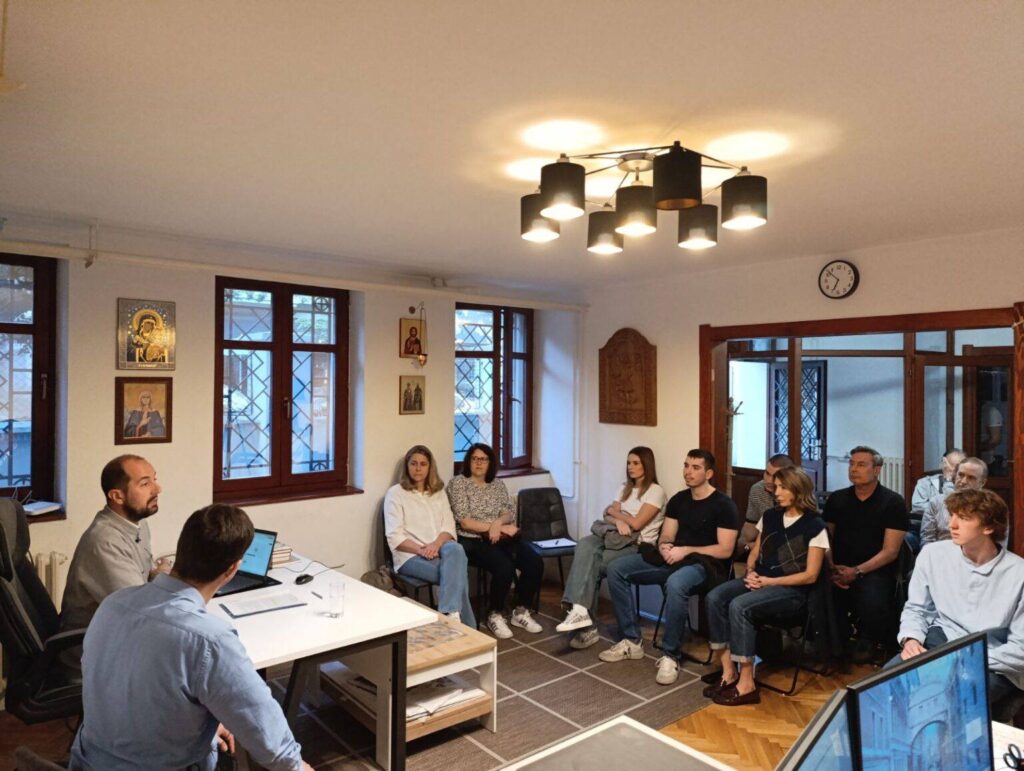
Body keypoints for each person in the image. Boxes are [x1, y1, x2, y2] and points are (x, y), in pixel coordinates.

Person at [69, 504, 312, 771]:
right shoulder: (210, 640)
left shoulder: (113, 603)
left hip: (87, 761)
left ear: (181, 552)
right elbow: (271, 742)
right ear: (232, 570)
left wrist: (203, 722)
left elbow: (138, 688)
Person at [601, 449, 740, 686]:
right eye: (686, 465)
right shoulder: (678, 500)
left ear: (709, 473)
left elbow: (725, 550)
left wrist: (685, 550)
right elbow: (667, 534)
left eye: (695, 467)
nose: (688, 472)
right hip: (673, 558)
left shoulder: (724, 505)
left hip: (705, 565)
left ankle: (670, 655)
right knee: (616, 568)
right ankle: (632, 640)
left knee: (676, 583)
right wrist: (665, 546)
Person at [704, 467, 828, 706]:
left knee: (740, 606)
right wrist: (751, 571)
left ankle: (747, 684)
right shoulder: (770, 516)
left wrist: (768, 581)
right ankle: (729, 672)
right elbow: (756, 551)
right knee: (714, 598)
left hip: (793, 591)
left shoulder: (815, 525)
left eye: (782, 487)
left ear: (798, 490)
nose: (776, 491)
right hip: (762, 579)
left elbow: (810, 576)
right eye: (776, 486)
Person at [892, 488, 1024, 710]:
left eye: (963, 518)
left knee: (950, 702)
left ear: (989, 527)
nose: (951, 524)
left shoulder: (1018, 573)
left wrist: (958, 661)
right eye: (952, 515)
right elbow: (917, 609)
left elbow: (1020, 649)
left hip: (993, 658)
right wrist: (911, 639)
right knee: (885, 684)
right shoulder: (932, 554)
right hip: (943, 639)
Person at [60, 455, 171, 667]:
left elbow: (141, 581)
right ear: (117, 496)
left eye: (154, 479)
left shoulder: (137, 524)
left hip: (121, 636)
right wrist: (165, 578)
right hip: (96, 655)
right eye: (145, 484)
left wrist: (157, 576)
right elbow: (141, 610)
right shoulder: (105, 541)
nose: (158, 489)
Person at [554, 447, 667, 650]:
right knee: (584, 544)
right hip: (614, 537)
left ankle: (585, 624)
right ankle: (580, 611)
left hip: (637, 545)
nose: (630, 467)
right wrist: (618, 519)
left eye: (636, 463)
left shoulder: (655, 491)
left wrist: (616, 514)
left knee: (593, 564)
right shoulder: (623, 488)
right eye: (628, 463)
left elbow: (638, 523)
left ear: (647, 465)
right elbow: (607, 515)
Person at [446, 443, 544, 638]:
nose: (479, 463)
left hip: (501, 536)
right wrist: (492, 528)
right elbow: (465, 522)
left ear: (490, 463)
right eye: (475, 458)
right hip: (471, 539)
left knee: (534, 562)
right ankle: (494, 614)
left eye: (483, 459)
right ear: (468, 461)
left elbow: (508, 513)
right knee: (504, 566)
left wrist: (498, 524)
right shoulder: (458, 484)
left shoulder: (497, 484)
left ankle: (520, 611)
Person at [824, 446, 909, 662]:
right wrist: (831, 566)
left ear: (877, 470)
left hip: (874, 569)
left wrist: (857, 571)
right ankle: (835, 638)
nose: (854, 469)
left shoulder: (893, 502)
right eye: (851, 464)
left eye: (861, 465)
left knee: (873, 596)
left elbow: (890, 551)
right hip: (839, 566)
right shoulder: (837, 499)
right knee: (818, 589)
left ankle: (868, 638)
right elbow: (826, 538)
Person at [384, 445, 475, 626]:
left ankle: (449, 614)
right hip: (410, 555)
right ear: (407, 466)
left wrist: (435, 545)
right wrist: (422, 550)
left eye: (423, 464)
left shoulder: (438, 492)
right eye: (413, 463)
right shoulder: (395, 493)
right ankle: (462, 623)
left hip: (440, 548)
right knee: (457, 574)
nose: (418, 468)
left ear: (430, 467)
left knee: (456, 549)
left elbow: (448, 527)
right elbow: (394, 536)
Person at [920, 456, 988, 545]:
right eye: (961, 475)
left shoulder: (989, 507)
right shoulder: (936, 503)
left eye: (971, 478)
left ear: (982, 482)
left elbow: (996, 543)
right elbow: (927, 540)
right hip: (941, 551)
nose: (963, 481)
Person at [907, 448, 963, 552]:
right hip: (921, 527)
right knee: (906, 538)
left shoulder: (964, 486)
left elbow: (953, 506)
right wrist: (936, 509)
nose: (955, 471)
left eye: (960, 467)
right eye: (953, 466)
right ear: (944, 465)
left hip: (951, 531)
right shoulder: (925, 483)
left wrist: (948, 481)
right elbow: (917, 507)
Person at [738, 454, 793, 554]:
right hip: (765, 547)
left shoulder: (800, 494)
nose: (768, 480)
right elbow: (750, 527)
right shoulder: (758, 490)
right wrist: (744, 545)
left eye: (775, 476)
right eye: (767, 473)